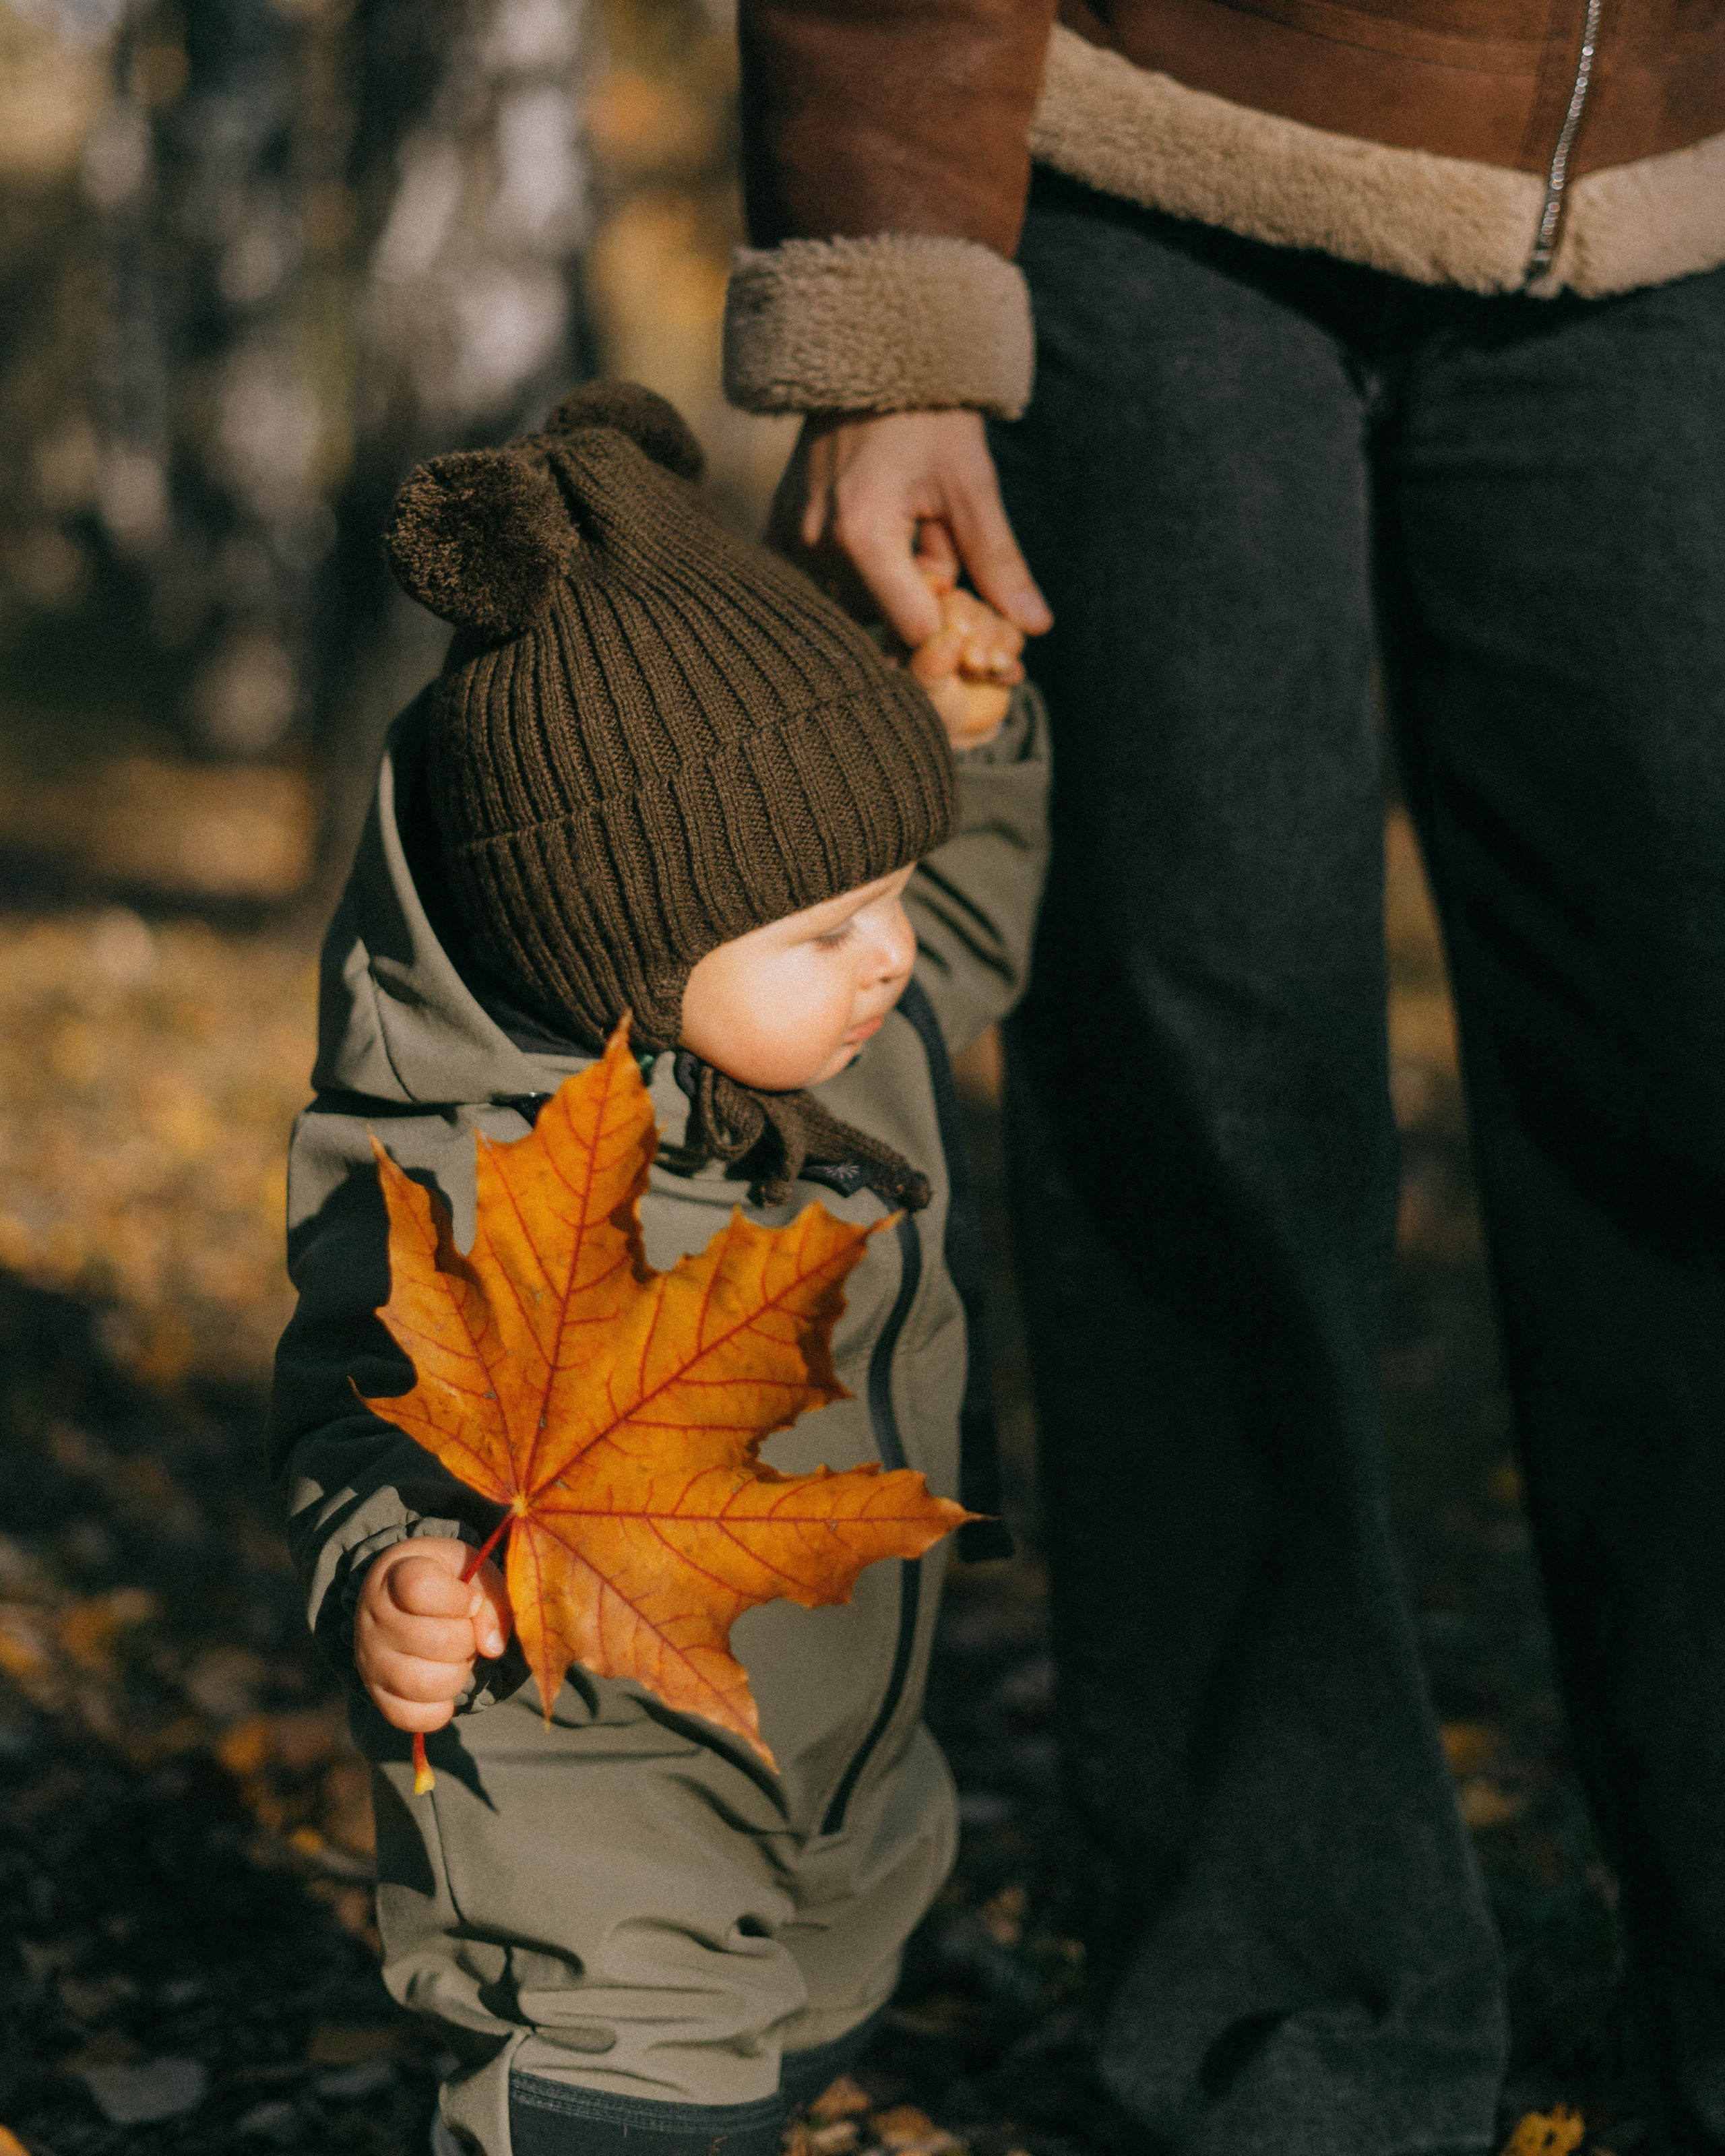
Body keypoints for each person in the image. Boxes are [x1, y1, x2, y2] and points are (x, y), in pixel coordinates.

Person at [720, 5, 1725, 2153]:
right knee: (1216, 1115)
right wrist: (896, 316)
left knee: (1697, 1077)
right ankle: (1305, 2038)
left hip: (1670, 215)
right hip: (1151, 185)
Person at [267, 381, 1044, 2156]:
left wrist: (978, 754)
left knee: (800, 2010)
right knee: (629, 2077)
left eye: (893, 881)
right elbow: (358, 1402)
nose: (890, 954)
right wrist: (391, 1562)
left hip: (841, 1759)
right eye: (830, 925)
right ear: (616, 955)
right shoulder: (486, 1186)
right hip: (586, 1796)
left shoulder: (847, 1039)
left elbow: (966, 931)